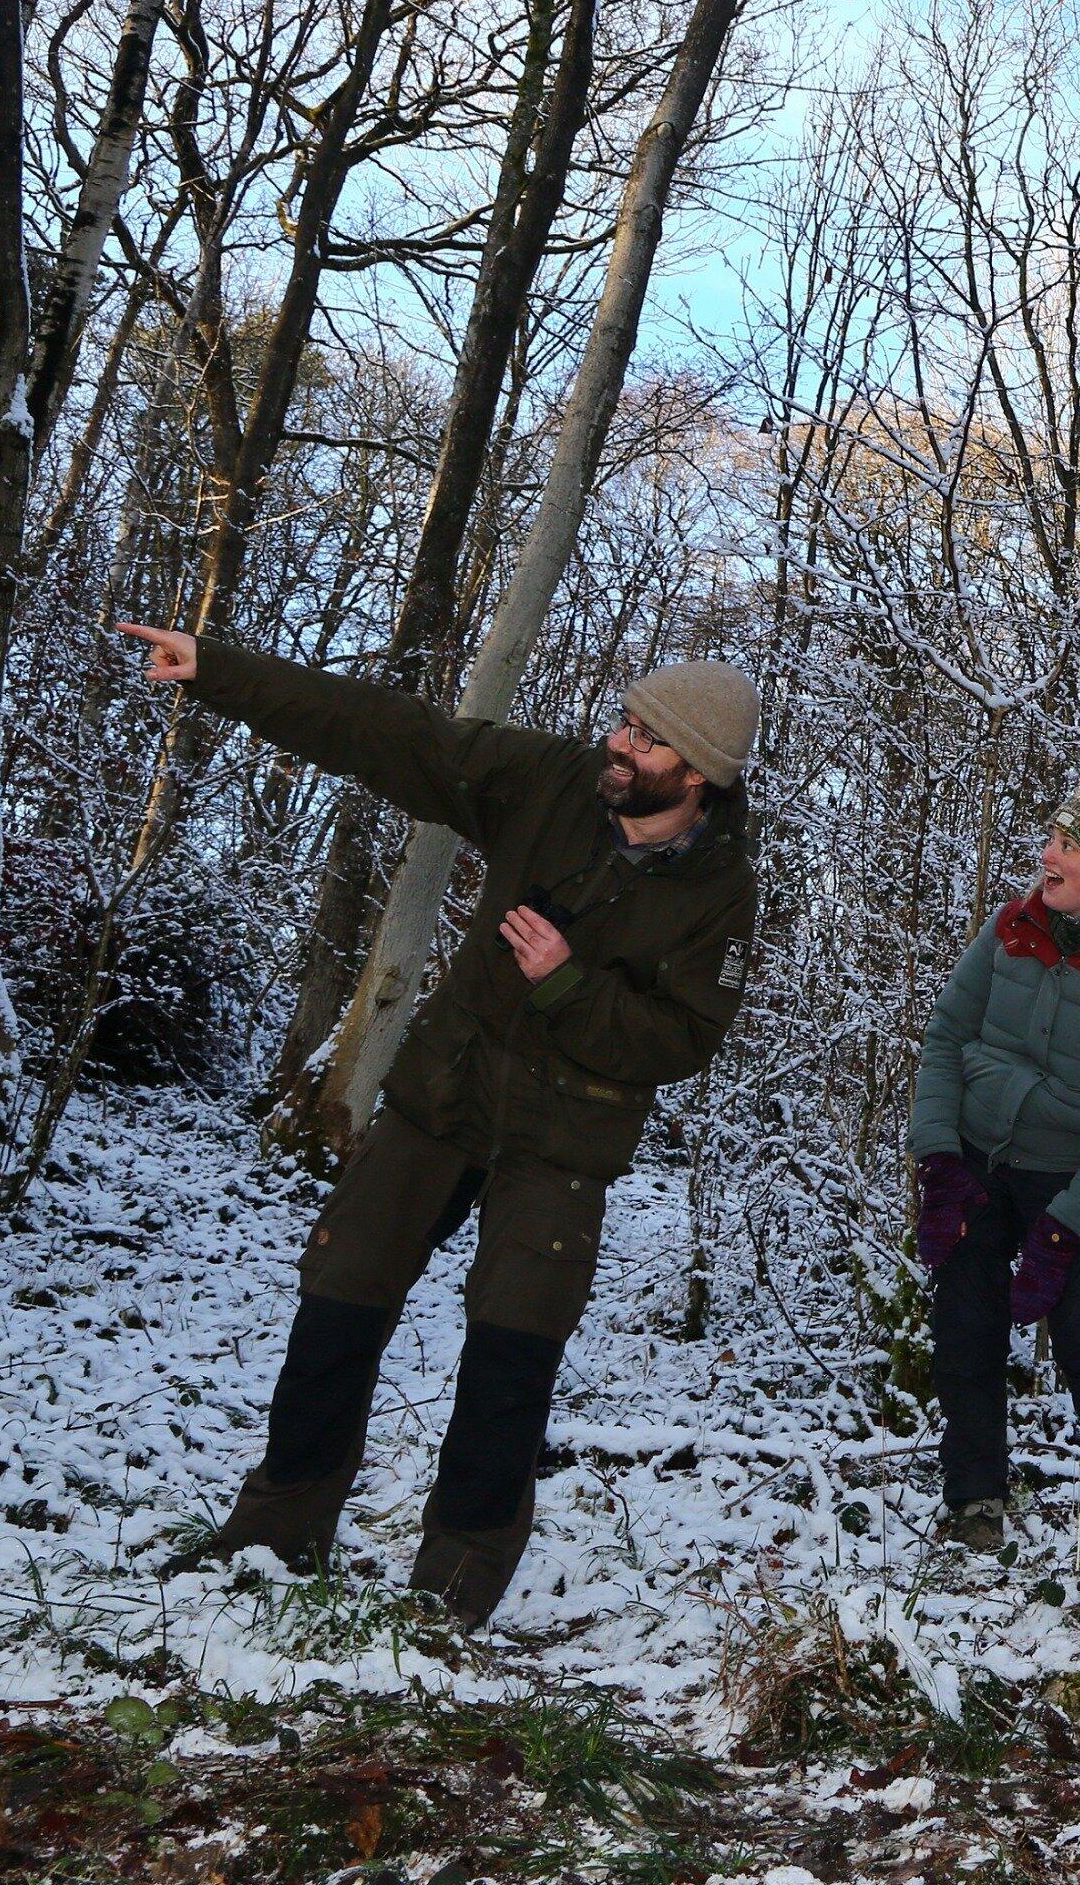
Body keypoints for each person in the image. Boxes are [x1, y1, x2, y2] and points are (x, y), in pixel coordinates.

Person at [123, 622, 763, 1628]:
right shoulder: (550, 782)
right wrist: (223, 670)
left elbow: (679, 1041)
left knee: (513, 1350)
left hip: (563, 1140)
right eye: (625, 721)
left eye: (646, 740)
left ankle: (456, 1580)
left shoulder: (720, 893)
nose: (619, 743)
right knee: (339, 1294)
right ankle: (275, 1532)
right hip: (443, 1097)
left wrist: (564, 983)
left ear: (701, 776)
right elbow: (392, 734)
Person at [909, 777, 1080, 1551]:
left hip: (1070, 1181)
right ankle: (974, 1503)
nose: (1047, 854)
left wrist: (1069, 1226)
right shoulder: (1008, 928)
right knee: (964, 1328)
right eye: (1052, 839)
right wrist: (938, 1163)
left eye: (1066, 845)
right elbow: (943, 1036)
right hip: (975, 1164)